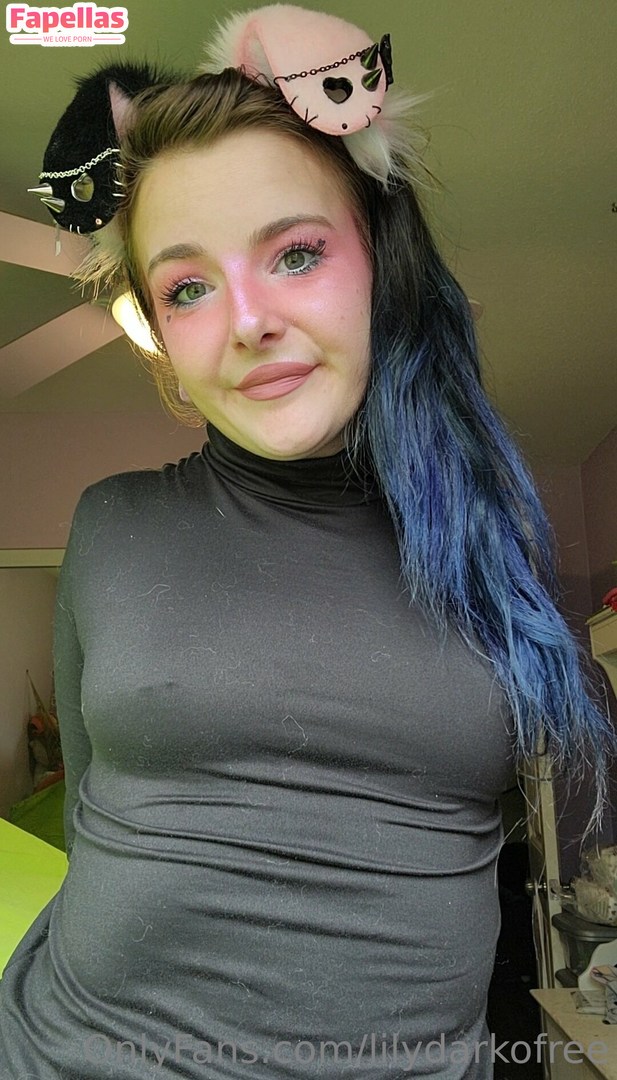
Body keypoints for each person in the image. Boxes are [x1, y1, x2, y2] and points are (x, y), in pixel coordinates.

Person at [1, 6, 613, 1078]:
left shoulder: (494, 539)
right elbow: (91, 807)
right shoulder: (113, 523)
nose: (246, 320)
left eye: (293, 253)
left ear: (381, 260)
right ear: (161, 335)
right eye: (187, 287)